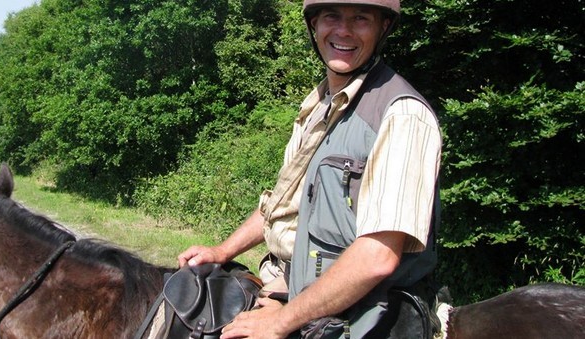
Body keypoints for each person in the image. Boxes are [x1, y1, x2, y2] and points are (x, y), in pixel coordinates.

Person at [181, 0, 442, 337]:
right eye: (332, 16)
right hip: (291, 286)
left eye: (360, 19)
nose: (343, 30)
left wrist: (281, 321)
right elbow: (285, 202)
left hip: (361, 315)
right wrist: (222, 251)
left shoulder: (401, 115)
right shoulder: (319, 104)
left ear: (383, 28)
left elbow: (377, 257)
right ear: (314, 26)